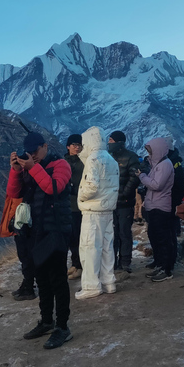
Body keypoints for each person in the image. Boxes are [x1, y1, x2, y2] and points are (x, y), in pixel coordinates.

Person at [7, 132, 74, 349]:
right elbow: (13, 192)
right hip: (35, 232)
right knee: (42, 280)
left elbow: (53, 188)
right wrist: (16, 171)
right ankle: (46, 320)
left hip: (56, 231)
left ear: (45, 146)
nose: (32, 155)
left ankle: (62, 327)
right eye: (29, 152)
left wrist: (32, 168)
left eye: (36, 150)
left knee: (58, 280)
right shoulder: (30, 167)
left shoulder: (61, 164)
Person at [75, 126, 120, 299]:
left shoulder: (93, 159)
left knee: (90, 247)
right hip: (108, 209)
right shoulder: (111, 159)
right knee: (107, 247)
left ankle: (91, 285)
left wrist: (81, 196)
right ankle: (109, 282)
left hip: (93, 210)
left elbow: (91, 186)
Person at [137, 137, 175, 282]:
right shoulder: (157, 164)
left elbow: (156, 185)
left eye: (150, 150)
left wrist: (142, 176)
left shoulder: (165, 165)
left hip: (161, 206)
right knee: (154, 236)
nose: (149, 153)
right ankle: (160, 264)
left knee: (163, 239)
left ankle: (166, 269)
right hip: (153, 205)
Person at [107, 130, 141, 273]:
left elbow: (135, 177)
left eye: (111, 141)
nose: (109, 144)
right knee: (112, 233)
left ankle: (125, 261)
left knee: (124, 232)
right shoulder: (108, 157)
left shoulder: (130, 157)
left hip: (125, 202)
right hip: (110, 202)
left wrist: (124, 193)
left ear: (118, 142)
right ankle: (112, 261)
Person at [64, 134, 84, 280]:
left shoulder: (84, 162)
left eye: (79, 145)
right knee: (71, 238)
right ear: (68, 147)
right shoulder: (63, 162)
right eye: (74, 145)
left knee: (79, 237)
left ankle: (80, 266)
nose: (77, 147)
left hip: (79, 204)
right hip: (67, 204)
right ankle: (75, 263)